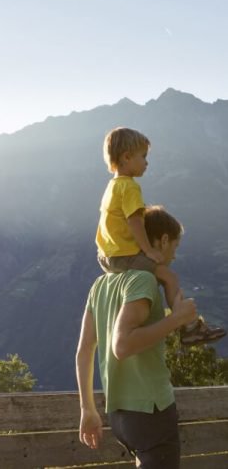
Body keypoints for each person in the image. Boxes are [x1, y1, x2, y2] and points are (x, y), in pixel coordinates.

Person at [77, 205, 197, 468]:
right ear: (163, 240)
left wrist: (88, 409)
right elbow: (123, 345)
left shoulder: (101, 284)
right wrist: (177, 319)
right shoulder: (142, 279)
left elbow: (85, 350)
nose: (174, 256)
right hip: (150, 410)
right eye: (174, 247)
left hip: (119, 414)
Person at [96, 127, 225, 345]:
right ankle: (189, 326)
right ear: (126, 157)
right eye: (143, 157)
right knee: (170, 277)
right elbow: (135, 221)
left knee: (159, 276)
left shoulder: (112, 186)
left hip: (107, 256)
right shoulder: (130, 187)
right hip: (123, 256)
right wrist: (148, 250)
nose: (146, 162)